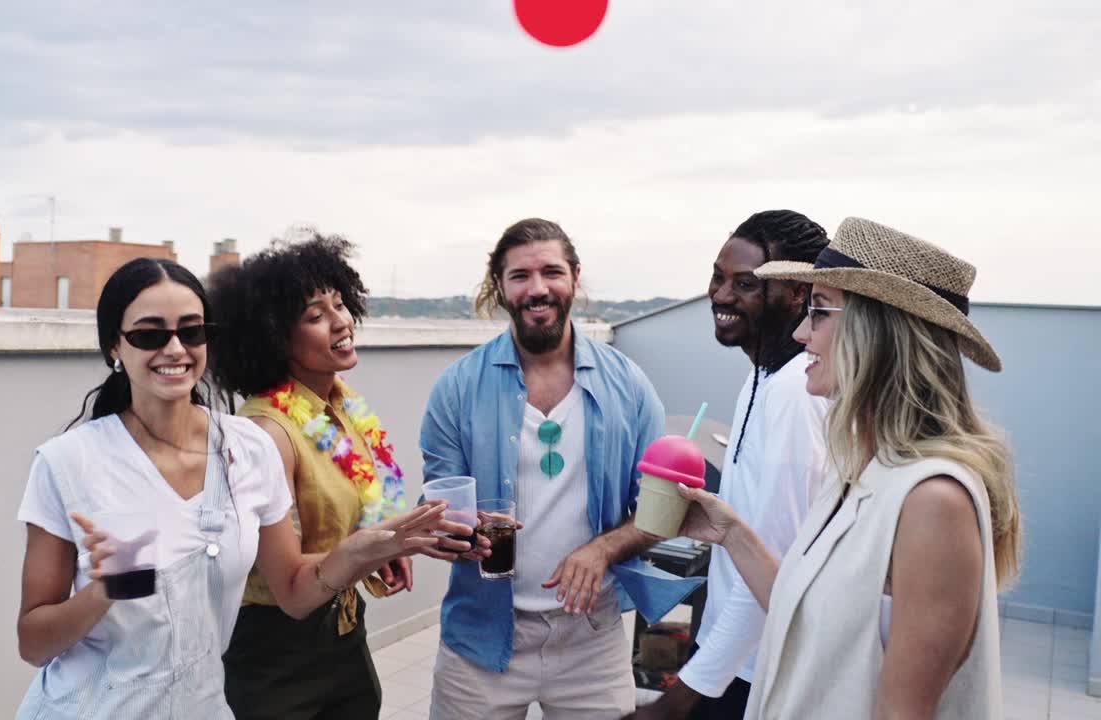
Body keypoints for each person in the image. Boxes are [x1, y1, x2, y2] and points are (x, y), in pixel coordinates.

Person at [15, 257, 460, 719]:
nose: (175, 349)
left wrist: (361, 552)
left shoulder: (246, 448)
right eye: (150, 335)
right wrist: (104, 592)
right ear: (114, 346)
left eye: (191, 331)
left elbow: (292, 588)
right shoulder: (67, 462)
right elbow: (33, 642)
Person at [669, 217, 1021, 719]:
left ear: (878, 333)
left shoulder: (933, 499)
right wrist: (730, 533)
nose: (801, 332)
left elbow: (903, 711)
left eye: (819, 311)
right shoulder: (863, 466)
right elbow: (809, 620)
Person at [421, 218, 700, 720]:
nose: (538, 288)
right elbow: (439, 505)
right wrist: (453, 534)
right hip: (481, 638)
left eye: (551, 272)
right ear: (500, 287)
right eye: (520, 276)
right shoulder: (456, 388)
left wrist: (603, 548)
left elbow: (665, 508)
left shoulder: (629, 385)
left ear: (573, 276)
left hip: (591, 639)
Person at [206, 232, 471, 719]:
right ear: (274, 337)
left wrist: (386, 544)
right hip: (276, 660)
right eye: (315, 315)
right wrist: (375, 545)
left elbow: (344, 517)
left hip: (344, 636)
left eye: (340, 303)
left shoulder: (339, 405)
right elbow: (288, 589)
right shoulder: (264, 432)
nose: (342, 321)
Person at [633, 211, 831, 719]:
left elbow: (772, 566)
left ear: (796, 293)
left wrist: (679, 699)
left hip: (755, 669)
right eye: (718, 277)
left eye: (745, 284)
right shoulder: (764, 375)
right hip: (727, 657)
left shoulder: (795, 393)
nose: (721, 295)